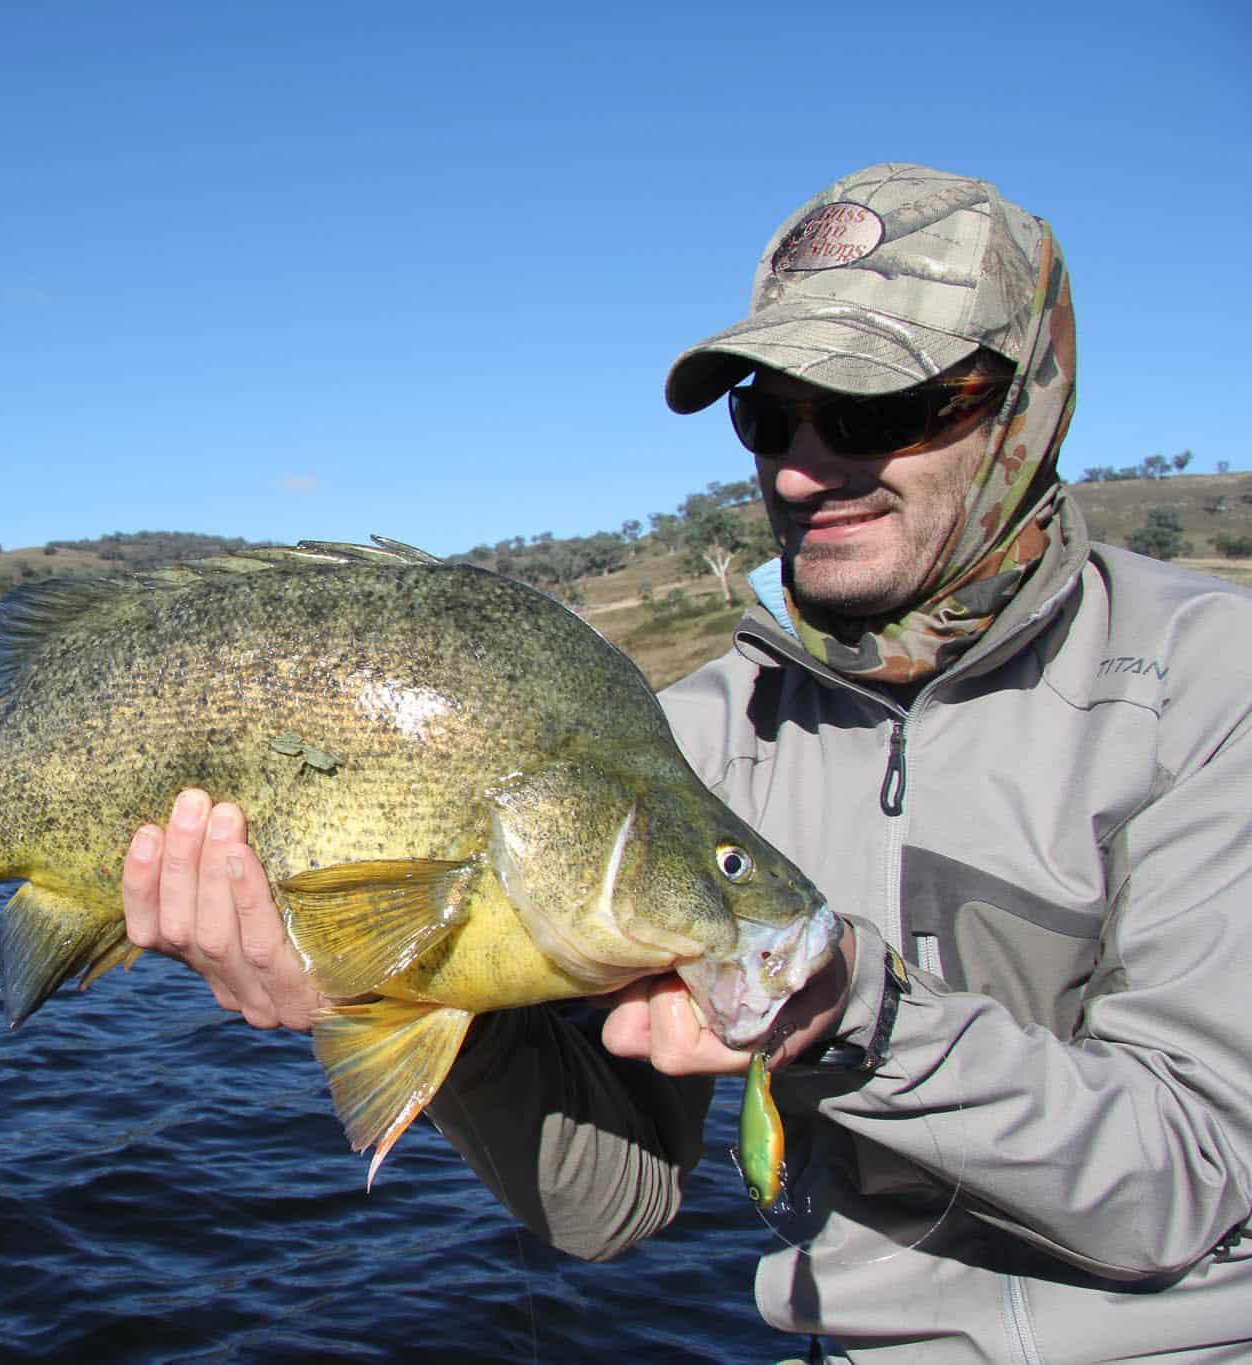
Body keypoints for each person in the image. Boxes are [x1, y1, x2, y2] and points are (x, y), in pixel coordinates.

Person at [118, 163, 1252, 1361]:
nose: (801, 469)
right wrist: (414, 984)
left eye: (871, 413)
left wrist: (856, 1023)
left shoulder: (1206, 682)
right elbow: (605, 1211)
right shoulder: (687, 742)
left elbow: (1190, 1182)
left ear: (1021, 403)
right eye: (769, 416)